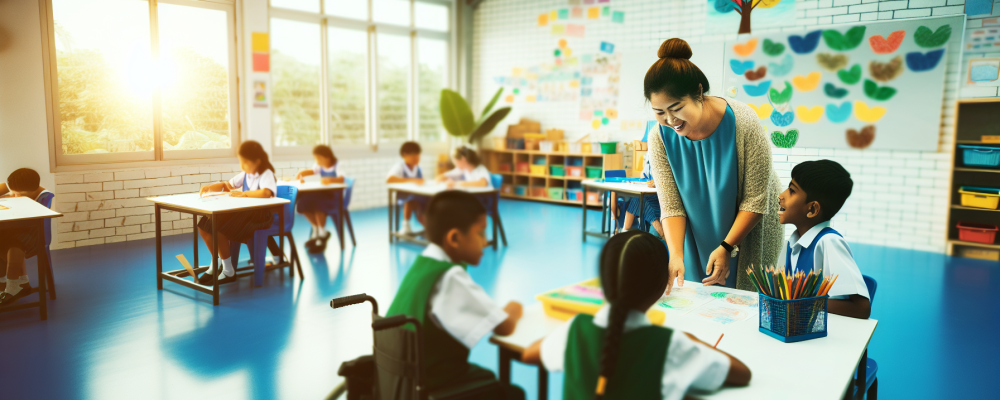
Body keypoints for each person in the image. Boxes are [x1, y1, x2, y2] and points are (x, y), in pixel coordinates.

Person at [522, 231, 751, 399]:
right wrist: (692, 342)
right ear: (662, 286)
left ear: (604, 280)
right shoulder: (670, 345)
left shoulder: (576, 330)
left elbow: (530, 354)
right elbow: (742, 374)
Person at [644, 38, 783, 293]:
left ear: (698, 93)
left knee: (745, 299)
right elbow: (671, 205)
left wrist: (727, 247)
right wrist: (675, 254)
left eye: (676, 108)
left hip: (748, 227)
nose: (670, 120)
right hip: (697, 230)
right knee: (699, 296)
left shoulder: (743, 120)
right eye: (659, 112)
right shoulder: (659, 138)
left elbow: (755, 200)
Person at [385, 190, 524, 399]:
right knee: (511, 393)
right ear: (455, 238)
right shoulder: (450, 276)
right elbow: (503, 326)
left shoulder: (423, 263)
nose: (485, 242)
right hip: (431, 382)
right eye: (480, 233)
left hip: (399, 381)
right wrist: (515, 307)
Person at [777, 160, 871, 319]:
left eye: (792, 191)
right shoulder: (791, 243)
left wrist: (802, 302)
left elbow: (861, 308)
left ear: (812, 209)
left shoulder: (828, 242)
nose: (781, 196)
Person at [195, 141, 278, 285]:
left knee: (219, 226)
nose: (242, 165)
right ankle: (217, 263)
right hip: (244, 214)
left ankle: (228, 271)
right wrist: (210, 187)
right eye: (241, 161)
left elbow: (266, 192)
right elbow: (227, 185)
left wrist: (245, 194)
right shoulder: (246, 174)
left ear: (257, 161)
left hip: (258, 217)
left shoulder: (266, 174)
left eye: (245, 162)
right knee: (203, 225)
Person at [0, 169, 52, 305]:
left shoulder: (42, 197)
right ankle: (15, 283)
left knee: (12, 242)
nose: (15, 196)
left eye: (20, 194)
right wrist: (6, 188)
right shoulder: (30, 192)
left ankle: (11, 287)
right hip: (25, 232)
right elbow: (12, 193)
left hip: (35, 236)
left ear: (33, 189)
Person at [617, 121, 664, 238]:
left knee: (640, 200)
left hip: (661, 200)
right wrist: (645, 174)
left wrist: (657, 183)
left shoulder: (666, 158)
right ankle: (625, 230)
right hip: (652, 197)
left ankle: (625, 231)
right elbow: (644, 175)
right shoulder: (649, 158)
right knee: (637, 199)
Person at [294, 145, 346, 248]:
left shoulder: (338, 165)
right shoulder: (319, 165)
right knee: (303, 202)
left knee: (318, 205)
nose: (317, 161)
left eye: (319, 158)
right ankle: (316, 229)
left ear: (327, 157)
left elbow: (342, 179)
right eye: (316, 158)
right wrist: (300, 174)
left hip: (334, 197)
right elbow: (311, 171)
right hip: (322, 194)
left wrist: (330, 180)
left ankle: (322, 233)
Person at [386, 141, 428, 236]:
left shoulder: (418, 168)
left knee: (429, 203)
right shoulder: (400, 167)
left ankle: (430, 228)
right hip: (404, 196)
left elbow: (422, 181)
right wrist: (411, 180)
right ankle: (406, 225)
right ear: (404, 155)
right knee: (412, 201)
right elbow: (389, 179)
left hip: (419, 195)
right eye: (413, 156)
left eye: (418, 155)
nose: (416, 158)